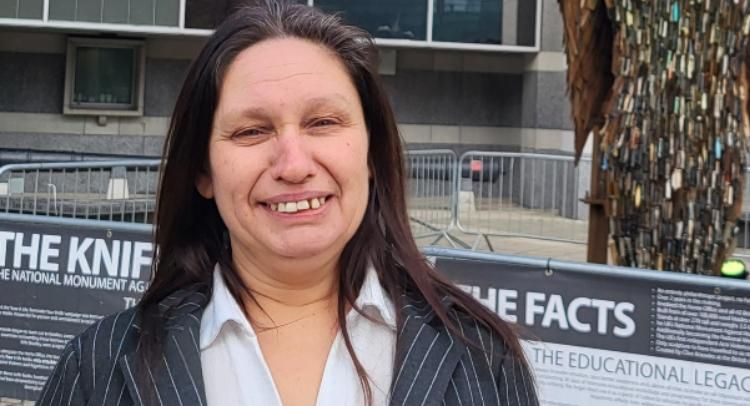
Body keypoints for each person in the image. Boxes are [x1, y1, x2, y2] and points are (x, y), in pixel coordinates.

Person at [37, 1, 538, 405]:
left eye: (323, 122)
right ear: (203, 172)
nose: (294, 164)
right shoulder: (96, 367)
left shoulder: (480, 356)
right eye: (252, 131)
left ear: (370, 153)